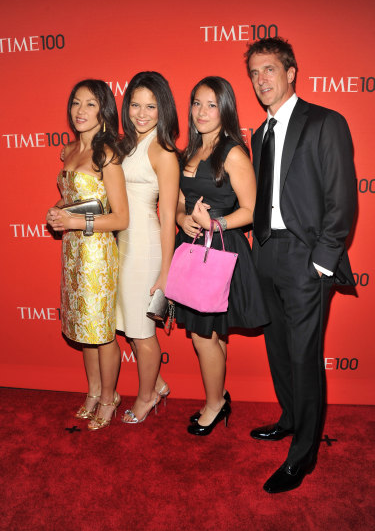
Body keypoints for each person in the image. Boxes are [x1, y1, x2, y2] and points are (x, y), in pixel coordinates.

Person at [245, 37, 357, 492]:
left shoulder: (325, 122)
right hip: (266, 253)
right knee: (277, 350)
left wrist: (322, 264)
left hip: (305, 257)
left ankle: (303, 454)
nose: (261, 80)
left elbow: (342, 200)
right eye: (254, 73)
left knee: (303, 356)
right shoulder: (259, 133)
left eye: (269, 70)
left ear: (291, 72)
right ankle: (290, 419)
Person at [175, 76, 269, 436]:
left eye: (211, 104)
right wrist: (184, 219)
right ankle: (218, 397)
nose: (202, 111)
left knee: (203, 335)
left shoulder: (231, 151)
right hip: (193, 248)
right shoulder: (191, 150)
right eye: (197, 103)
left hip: (221, 250)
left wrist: (214, 223)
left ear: (225, 109)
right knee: (211, 333)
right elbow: (180, 203)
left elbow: (252, 209)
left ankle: (214, 404)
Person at [46, 79, 129, 431]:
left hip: (97, 254)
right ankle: (93, 391)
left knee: (102, 332)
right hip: (72, 251)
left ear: (104, 110)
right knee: (84, 328)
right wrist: (57, 213)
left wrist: (74, 219)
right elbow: (75, 199)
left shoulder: (106, 154)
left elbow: (121, 217)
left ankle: (110, 397)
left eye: (90, 104)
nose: (80, 111)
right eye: (76, 103)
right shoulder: (68, 151)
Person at [116, 71, 180, 424]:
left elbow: (168, 214)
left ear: (163, 109)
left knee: (142, 334)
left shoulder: (163, 151)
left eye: (151, 106)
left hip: (145, 248)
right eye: (136, 105)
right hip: (122, 245)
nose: (142, 114)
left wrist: (165, 272)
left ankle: (147, 396)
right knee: (128, 327)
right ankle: (158, 383)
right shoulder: (128, 145)